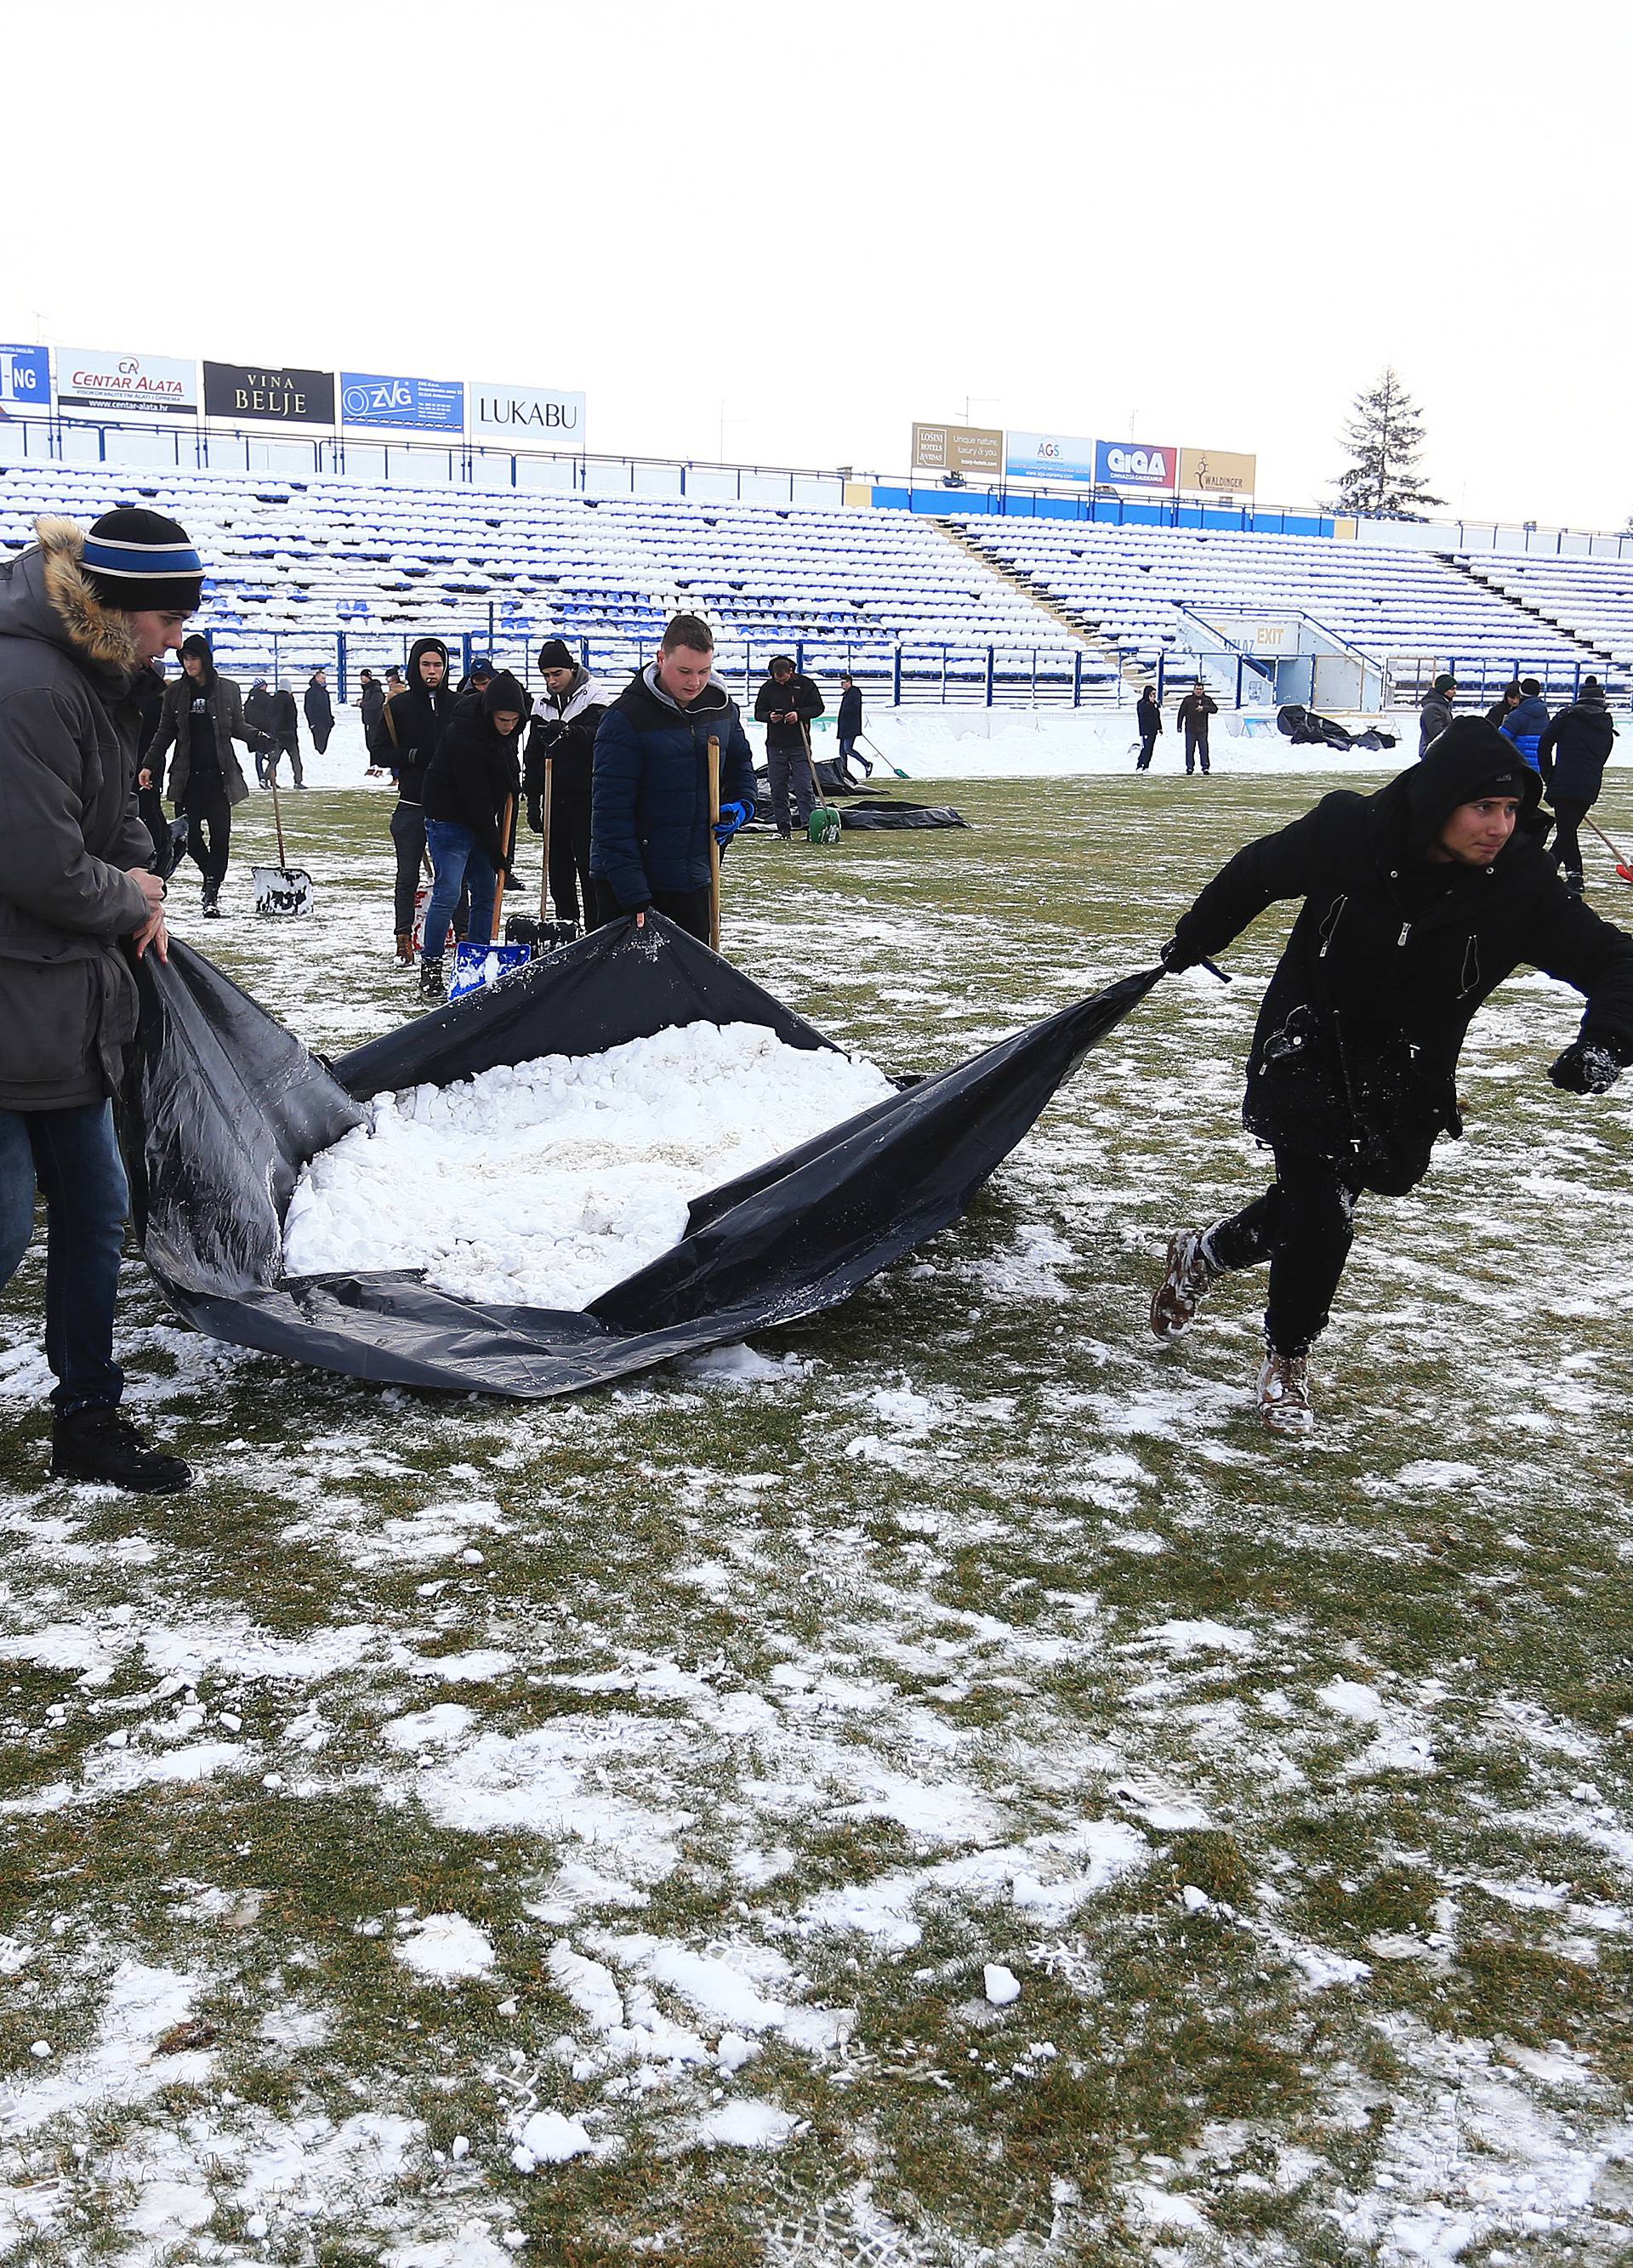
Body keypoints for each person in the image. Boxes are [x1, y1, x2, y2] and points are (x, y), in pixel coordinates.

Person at [1152, 720, 1633, 1436]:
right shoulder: (1351, 832)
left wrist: (1608, 1039)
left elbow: (1613, 960)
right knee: (1321, 1209)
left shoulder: (1521, 884)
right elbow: (1257, 871)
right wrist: (1197, 937)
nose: (1501, 826)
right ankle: (1287, 1358)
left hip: (1407, 1071)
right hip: (1308, 1041)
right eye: (1484, 808)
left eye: (1511, 811)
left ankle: (1206, 1252)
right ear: (1439, 800)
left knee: (1328, 1197)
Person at [0, 507, 197, 1492]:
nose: (177, 637)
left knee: (94, 1212)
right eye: (168, 618)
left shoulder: (103, 676)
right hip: (10, 1000)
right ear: (116, 604)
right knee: (2, 1226)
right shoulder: (24, 684)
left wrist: (137, 867)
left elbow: (112, 806)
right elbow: (33, 858)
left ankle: (87, 1416)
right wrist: (127, 897)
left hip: (67, 1000)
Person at [590, 613, 755, 942]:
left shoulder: (721, 709)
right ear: (661, 658)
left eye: (704, 671)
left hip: (696, 877)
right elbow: (610, 818)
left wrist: (742, 805)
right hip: (634, 885)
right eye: (685, 671)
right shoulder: (625, 720)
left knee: (690, 985)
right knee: (632, 988)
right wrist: (634, 895)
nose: (695, 682)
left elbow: (741, 763)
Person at [417, 670, 527, 1000]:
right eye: (503, 719)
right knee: (450, 892)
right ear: (489, 712)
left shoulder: (507, 734)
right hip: (449, 818)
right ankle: (432, 966)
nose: (508, 726)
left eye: (513, 720)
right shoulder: (463, 736)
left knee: (486, 891)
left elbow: (509, 779)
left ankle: (475, 961)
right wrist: (498, 854)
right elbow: (475, 800)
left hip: (479, 818)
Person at [140, 633, 254, 915]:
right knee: (189, 840)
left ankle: (212, 894)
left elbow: (237, 726)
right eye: (185, 658)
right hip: (187, 777)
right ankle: (210, 876)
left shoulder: (228, 689)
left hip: (219, 777)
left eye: (194, 658)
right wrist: (149, 764)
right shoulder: (176, 692)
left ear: (206, 659)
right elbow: (165, 730)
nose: (189, 664)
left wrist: (261, 739)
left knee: (221, 838)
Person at [373, 636, 458, 966]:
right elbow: (379, 751)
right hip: (411, 802)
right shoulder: (398, 707)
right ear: (415, 666)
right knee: (407, 876)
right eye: (426, 664)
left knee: (454, 877)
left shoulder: (459, 704)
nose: (432, 671)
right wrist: (412, 756)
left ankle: (463, 935)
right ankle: (403, 938)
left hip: (449, 805)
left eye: (438, 665)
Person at [525, 637, 609, 929]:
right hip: (554, 795)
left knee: (589, 867)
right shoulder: (541, 704)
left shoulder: (595, 695)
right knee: (558, 868)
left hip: (587, 796)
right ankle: (566, 925)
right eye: (546, 675)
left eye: (556, 674)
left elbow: (599, 735)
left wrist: (571, 732)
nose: (551, 681)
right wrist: (533, 799)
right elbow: (534, 754)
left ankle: (595, 927)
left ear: (571, 669)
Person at [1539, 676, 1617, 894]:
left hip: (1564, 780)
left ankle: (1575, 876)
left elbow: (1544, 743)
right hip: (1590, 784)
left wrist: (1548, 773)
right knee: (1567, 829)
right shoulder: (1605, 723)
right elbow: (1604, 753)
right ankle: (1548, 867)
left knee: (1566, 830)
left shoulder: (1567, 716)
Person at [754, 654, 824, 836]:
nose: (781, 683)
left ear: (791, 672)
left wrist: (799, 714)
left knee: (803, 786)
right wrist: (769, 716)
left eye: (784, 679)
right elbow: (758, 712)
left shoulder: (805, 685)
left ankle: (809, 825)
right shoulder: (767, 688)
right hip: (776, 745)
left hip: (800, 744)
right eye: (778, 679)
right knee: (778, 787)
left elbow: (818, 707)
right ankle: (783, 827)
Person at [1499, 677, 1550, 772]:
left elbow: (1501, 739)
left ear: (1521, 693)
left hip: (1521, 768)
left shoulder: (1517, 715)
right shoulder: (1544, 714)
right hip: (1539, 767)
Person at [262, 679, 304, 788]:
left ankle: (265, 778)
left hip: (277, 734)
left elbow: (269, 715)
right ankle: (298, 781)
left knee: (274, 759)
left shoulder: (273, 699)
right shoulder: (289, 700)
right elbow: (292, 717)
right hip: (289, 735)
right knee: (295, 759)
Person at [1175, 681, 1217, 776]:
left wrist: (1204, 708)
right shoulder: (1188, 700)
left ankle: (1205, 767)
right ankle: (1190, 767)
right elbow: (1181, 713)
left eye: (1200, 689)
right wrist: (1179, 725)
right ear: (1194, 690)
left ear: (1203, 690)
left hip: (1202, 729)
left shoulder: (1207, 700)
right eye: (1197, 689)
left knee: (1204, 749)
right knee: (1190, 750)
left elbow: (1215, 709)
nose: (1199, 691)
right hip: (1190, 729)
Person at [835, 672, 870, 783]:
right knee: (842, 752)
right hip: (844, 727)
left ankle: (866, 763)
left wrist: (845, 713)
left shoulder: (855, 693)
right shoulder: (847, 694)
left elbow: (855, 708)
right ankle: (844, 772)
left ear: (849, 683)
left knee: (848, 749)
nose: (841, 685)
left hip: (850, 727)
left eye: (843, 682)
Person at [244, 675, 275, 787]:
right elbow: (273, 714)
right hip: (267, 729)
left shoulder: (249, 700)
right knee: (273, 755)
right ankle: (268, 778)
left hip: (254, 731)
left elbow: (245, 716)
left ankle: (261, 777)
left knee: (259, 756)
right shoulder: (267, 699)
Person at [1418, 672, 1457, 757]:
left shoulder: (1443, 706)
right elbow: (1437, 734)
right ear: (1443, 689)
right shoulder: (1432, 708)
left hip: (1439, 753)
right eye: (1452, 689)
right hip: (1434, 755)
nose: (1455, 692)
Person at [303, 666, 334, 755]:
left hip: (326, 723)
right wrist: (312, 723)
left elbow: (327, 708)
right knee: (319, 746)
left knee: (324, 745)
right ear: (317, 678)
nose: (324, 680)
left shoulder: (325, 692)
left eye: (325, 678)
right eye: (322, 678)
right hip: (317, 723)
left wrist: (330, 720)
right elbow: (308, 709)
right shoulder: (311, 692)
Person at [1135, 685, 1163, 771]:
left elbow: (1157, 716)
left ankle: (1146, 765)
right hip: (1146, 730)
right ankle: (1140, 764)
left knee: (1150, 749)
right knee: (1146, 748)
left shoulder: (1154, 704)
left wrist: (1159, 727)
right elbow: (1144, 715)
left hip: (1153, 730)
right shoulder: (1142, 704)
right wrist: (1150, 704)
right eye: (1152, 694)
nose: (1154, 696)